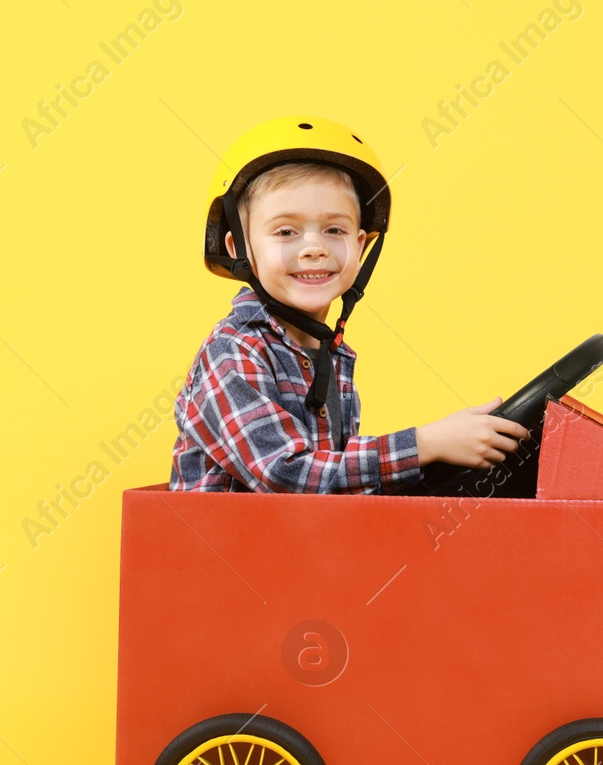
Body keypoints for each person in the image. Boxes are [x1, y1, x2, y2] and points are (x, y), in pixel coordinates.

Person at [170, 115, 529, 493]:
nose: (314, 248)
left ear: (359, 246)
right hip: (228, 551)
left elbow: (338, 485)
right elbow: (287, 477)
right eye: (286, 231)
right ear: (239, 249)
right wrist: (427, 444)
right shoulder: (234, 353)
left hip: (297, 549)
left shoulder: (329, 355)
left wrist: (449, 452)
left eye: (334, 230)